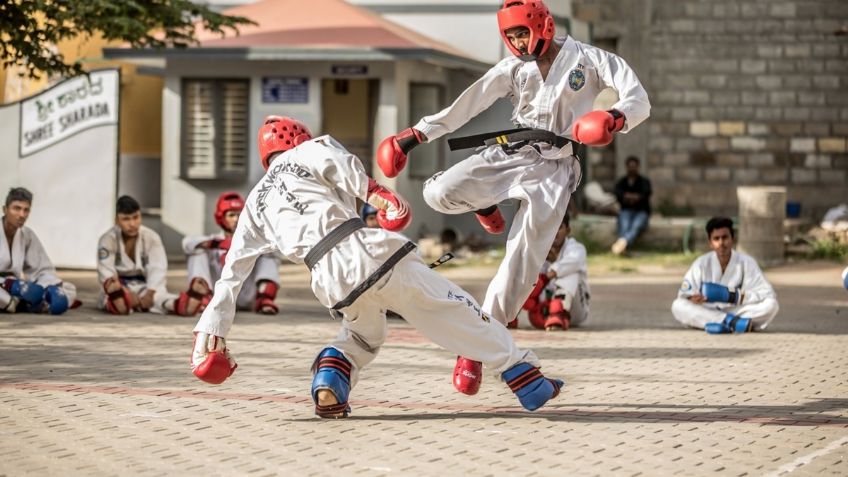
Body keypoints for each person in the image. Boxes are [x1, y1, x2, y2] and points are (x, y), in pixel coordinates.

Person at [190, 115, 564, 417]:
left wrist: (211, 338)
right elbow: (336, 162)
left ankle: (330, 382)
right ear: (298, 139)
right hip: (362, 249)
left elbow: (231, 275)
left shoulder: (254, 202)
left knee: (363, 335)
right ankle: (526, 377)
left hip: (327, 279)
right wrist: (375, 192)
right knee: (452, 306)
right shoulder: (309, 150)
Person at [375, 0, 650, 394]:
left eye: (524, 33)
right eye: (512, 36)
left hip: (555, 170)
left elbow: (638, 96)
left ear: (545, 26)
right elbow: (465, 105)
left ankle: (475, 344)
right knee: (438, 191)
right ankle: (483, 203)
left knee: (520, 266)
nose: (519, 42)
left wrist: (615, 118)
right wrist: (413, 135)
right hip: (513, 153)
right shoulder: (512, 69)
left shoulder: (589, 59)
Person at [176, 191, 280, 316]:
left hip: (246, 297)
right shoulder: (212, 241)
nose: (236, 219)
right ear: (221, 217)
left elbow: (277, 246)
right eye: (231, 215)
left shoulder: (253, 241)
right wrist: (218, 244)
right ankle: (203, 296)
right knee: (197, 252)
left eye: (239, 214)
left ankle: (265, 298)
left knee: (268, 253)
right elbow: (187, 243)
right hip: (216, 296)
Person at [671, 217, 779, 333]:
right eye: (716, 239)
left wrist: (737, 296)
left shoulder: (747, 262)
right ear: (710, 243)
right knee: (678, 306)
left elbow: (767, 293)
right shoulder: (701, 264)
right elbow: (684, 294)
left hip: (737, 310)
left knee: (771, 305)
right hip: (708, 309)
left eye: (725, 237)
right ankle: (731, 322)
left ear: (732, 239)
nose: (721, 243)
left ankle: (719, 323)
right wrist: (693, 298)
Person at [0, 187, 78, 314]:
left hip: (18, 288)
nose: (22, 215)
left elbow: (42, 269)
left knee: (68, 290)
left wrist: (50, 288)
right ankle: (26, 304)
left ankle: (28, 301)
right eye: (17, 208)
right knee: (4, 297)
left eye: (26, 210)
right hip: (5, 287)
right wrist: (7, 284)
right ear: (5, 209)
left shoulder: (27, 235)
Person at [97, 195, 178, 315]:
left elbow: (158, 268)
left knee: (160, 297)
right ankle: (122, 301)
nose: (132, 224)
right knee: (111, 296)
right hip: (119, 287)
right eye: (126, 219)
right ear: (116, 220)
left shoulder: (152, 237)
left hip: (145, 286)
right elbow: (106, 273)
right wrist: (125, 292)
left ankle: (177, 304)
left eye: (136, 217)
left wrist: (150, 294)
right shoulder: (107, 239)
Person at [522, 213, 590, 331]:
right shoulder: (538, 251)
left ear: (567, 230)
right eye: (550, 228)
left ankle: (558, 313)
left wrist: (545, 277)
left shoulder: (576, 248)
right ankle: (508, 316)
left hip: (575, 311)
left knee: (572, 272)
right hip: (543, 310)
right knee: (522, 274)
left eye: (559, 227)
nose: (554, 232)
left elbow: (574, 262)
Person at [611, 156, 651, 255]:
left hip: (641, 211)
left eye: (634, 166)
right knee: (624, 226)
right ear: (627, 167)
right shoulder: (622, 182)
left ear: (638, 167)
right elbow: (618, 194)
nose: (632, 168)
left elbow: (645, 194)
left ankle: (622, 243)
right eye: (630, 166)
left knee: (636, 226)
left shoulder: (644, 182)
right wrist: (633, 197)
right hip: (626, 210)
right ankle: (624, 248)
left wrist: (630, 197)